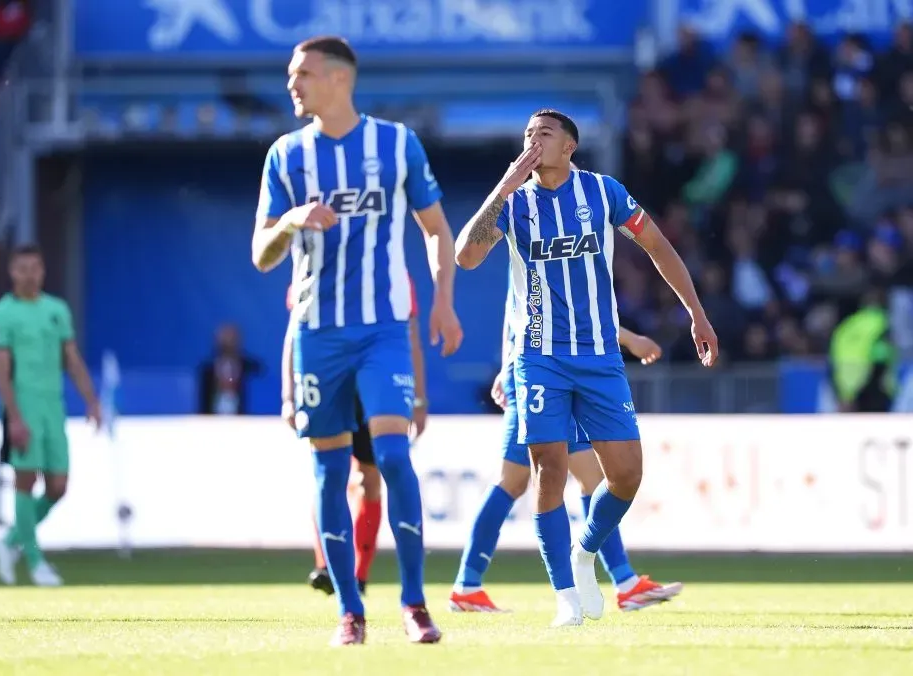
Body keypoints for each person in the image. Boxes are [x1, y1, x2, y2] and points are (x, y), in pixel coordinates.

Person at [454, 109, 717, 627]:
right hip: (537, 358)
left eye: (544, 134)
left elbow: (658, 246)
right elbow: (465, 256)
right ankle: (566, 597)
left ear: (569, 146)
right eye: (527, 133)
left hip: (598, 357)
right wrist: (504, 187)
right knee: (544, 472)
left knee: (624, 476)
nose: (533, 141)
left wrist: (696, 313)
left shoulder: (603, 193)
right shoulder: (515, 204)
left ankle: (586, 551)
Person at [251, 35, 463, 646]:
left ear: (340, 79)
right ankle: (350, 611)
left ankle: (416, 603)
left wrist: (443, 301)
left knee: (393, 457)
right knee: (328, 472)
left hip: (383, 330)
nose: (293, 84)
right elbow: (261, 256)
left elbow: (435, 229)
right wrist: (291, 221)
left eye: (304, 74)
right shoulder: (286, 156)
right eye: (293, 75)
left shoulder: (396, 145)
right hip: (318, 333)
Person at [450, 281, 682, 612]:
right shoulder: (549, 242)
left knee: (590, 479)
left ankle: (625, 582)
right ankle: (467, 585)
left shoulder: (532, 249)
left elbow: (515, 309)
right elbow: (569, 316)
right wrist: (631, 340)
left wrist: (504, 364)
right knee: (513, 481)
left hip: (542, 371)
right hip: (538, 375)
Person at [282, 275, 428, 596]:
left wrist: (418, 398)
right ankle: (326, 566)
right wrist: (289, 395)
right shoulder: (314, 264)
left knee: (369, 479)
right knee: (329, 473)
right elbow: (295, 331)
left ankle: (360, 573)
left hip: (373, 384)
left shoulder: (396, 274)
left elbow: (411, 338)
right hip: (328, 372)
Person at [0, 244, 101, 587]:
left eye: (35, 267)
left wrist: (91, 400)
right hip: (23, 406)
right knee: (25, 480)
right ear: (12, 272)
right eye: (22, 268)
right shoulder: (1, 314)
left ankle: (9, 542)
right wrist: (14, 416)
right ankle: (35, 562)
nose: (29, 274)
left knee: (58, 486)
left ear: (43, 271)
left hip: (54, 407)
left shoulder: (56, 310)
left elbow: (72, 359)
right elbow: (0, 371)